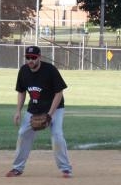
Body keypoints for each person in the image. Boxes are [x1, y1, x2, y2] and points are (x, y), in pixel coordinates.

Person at [5, 45, 73, 178]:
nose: (30, 60)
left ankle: (66, 169)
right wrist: (18, 111)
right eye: (28, 57)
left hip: (55, 108)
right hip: (34, 108)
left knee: (57, 135)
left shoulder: (50, 70)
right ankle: (17, 168)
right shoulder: (24, 71)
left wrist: (49, 115)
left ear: (39, 57)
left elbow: (59, 93)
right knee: (23, 133)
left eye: (33, 57)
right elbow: (21, 92)